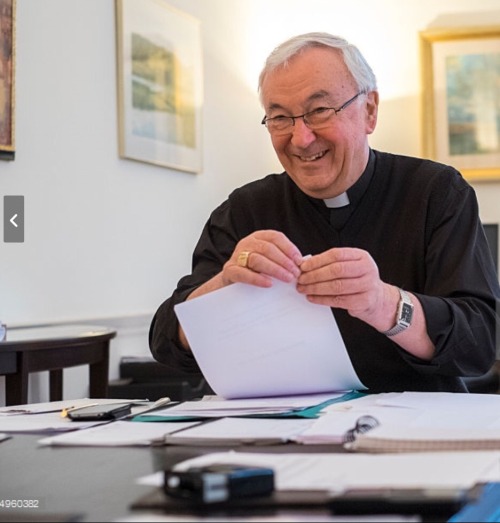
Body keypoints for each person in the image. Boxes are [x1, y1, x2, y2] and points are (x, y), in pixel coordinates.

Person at [149, 32, 500, 392]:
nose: (300, 138)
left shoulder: (436, 192)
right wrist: (224, 284)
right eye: (280, 117)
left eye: (319, 111)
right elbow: (165, 341)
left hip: (408, 427)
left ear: (369, 111)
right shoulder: (244, 209)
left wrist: (383, 303)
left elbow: (479, 344)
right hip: (272, 431)